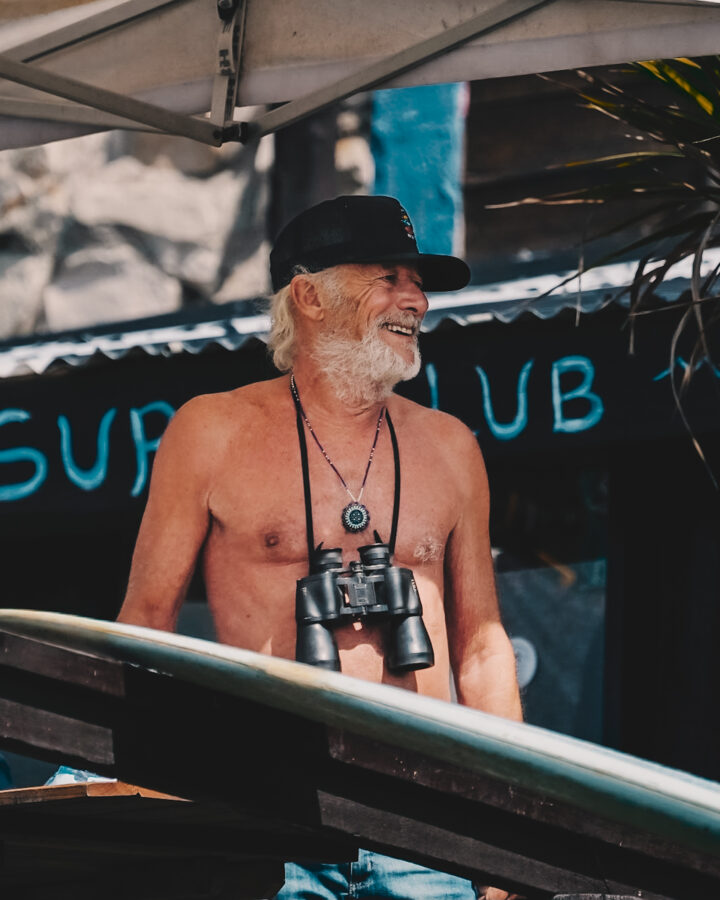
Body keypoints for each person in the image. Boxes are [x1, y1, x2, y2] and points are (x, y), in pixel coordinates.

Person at [118, 195, 523, 900]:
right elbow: (147, 624)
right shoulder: (211, 430)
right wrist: (135, 785)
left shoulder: (451, 445)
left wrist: (513, 840)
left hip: (429, 817)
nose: (416, 301)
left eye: (418, 283)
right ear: (309, 296)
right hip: (270, 812)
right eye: (389, 278)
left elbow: (482, 648)